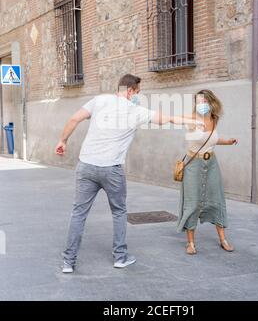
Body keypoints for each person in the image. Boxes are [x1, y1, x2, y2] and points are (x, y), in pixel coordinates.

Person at [55, 74, 199, 273]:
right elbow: (167, 119)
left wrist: (62, 141)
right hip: (112, 170)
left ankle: (68, 262)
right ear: (130, 91)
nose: (138, 95)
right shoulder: (136, 110)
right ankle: (120, 257)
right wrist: (192, 121)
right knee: (119, 212)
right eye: (138, 92)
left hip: (86, 166)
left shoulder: (99, 100)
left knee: (78, 213)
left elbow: (74, 118)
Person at [177, 89, 238, 255]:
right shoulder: (191, 119)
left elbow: (213, 140)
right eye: (198, 101)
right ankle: (190, 243)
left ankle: (223, 239)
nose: (200, 104)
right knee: (193, 201)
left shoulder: (214, 118)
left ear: (210, 102)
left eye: (203, 101)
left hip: (211, 163)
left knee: (216, 198)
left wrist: (228, 141)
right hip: (193, 164)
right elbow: (193, 138)